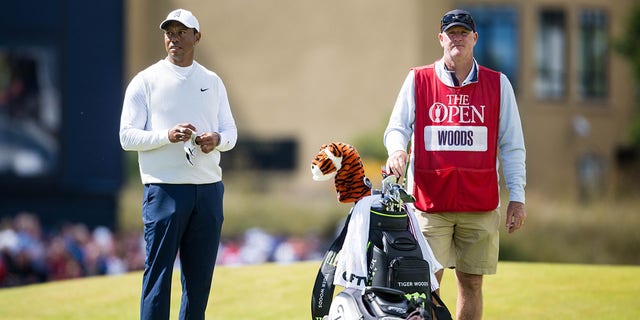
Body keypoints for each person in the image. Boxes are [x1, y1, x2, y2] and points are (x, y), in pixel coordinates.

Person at [383, 9, 526, 320]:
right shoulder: (418, 79)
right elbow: (397, 128)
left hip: (480, 205)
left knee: (472, 283)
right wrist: (397, 150)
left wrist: (517, 196)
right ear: (441, 39)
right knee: (425, 286)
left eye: (463, 32)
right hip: (429, 204)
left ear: (475, 38)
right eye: (451, 33)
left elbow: (512, 146)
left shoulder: (498, 84)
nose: (457, 38)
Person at [119, 8, 237, 320]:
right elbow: (127, 137)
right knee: (158, 277)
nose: (174, 37)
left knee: (199, 283)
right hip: (164, 190)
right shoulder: (145, 81)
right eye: (169, 32)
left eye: (182, 31)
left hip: (208, 190)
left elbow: (231, 132)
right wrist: (167, 135)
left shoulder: (212, 81)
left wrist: (216, 140)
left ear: (197, 37)